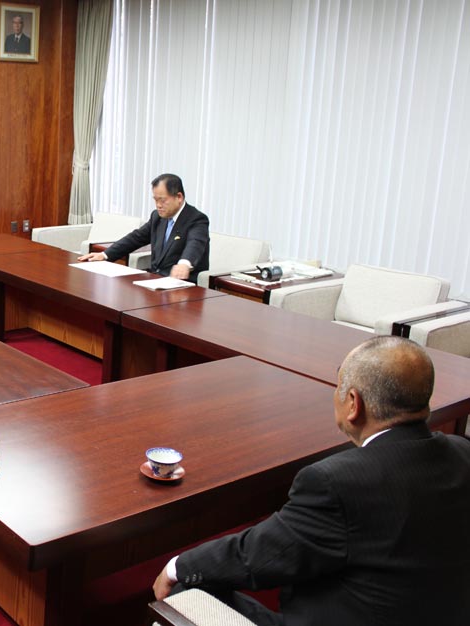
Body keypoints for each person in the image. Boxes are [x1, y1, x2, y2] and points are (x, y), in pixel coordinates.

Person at [153, 336, 470, 626]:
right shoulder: (462, 452)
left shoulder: (339, 482)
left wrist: (178, 566)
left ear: (353, 403)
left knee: (187, 590)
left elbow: (259, 557)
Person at [78, 173, 209, 282]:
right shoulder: (158, 217)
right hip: (155, 281)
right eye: (155, 200)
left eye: (162, 200)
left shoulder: (197, 219)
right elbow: (136, 238)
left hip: (183, 286)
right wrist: (105, 254)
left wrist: (184, 264)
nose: (158, 205)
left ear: (179, 197)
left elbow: (195, 243)